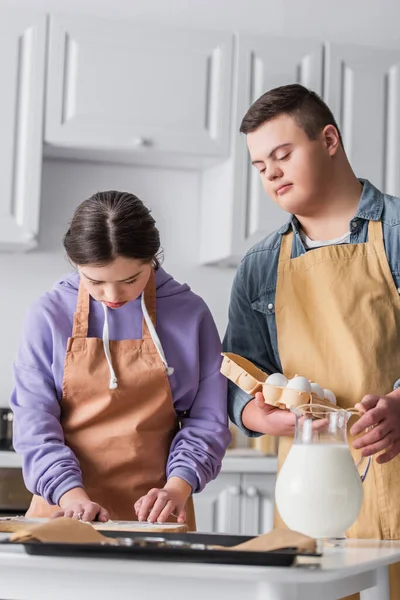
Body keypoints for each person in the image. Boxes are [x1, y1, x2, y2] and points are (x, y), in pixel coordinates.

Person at [224, 84, 400, 599]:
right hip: (310, 494)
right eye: (260, 166)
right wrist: (264, 417)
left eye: (282, 154)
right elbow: (239, 379)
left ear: (328, 140)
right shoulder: (259, 267)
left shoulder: (395, 232)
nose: (272, 173)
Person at [11, 190, 231, 529]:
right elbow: (34, 423)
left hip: (159, 516)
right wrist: (71, 495)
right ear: (75, 264)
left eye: (131, 279)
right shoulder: (49, 314)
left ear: (152, 259)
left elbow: (207, 421)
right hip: (62, 512)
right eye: (95, 281)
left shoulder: (191, 314)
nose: (113, 296)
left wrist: (178, 486)